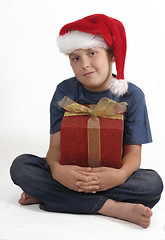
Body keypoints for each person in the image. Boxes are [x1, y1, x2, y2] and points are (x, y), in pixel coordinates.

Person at [10, 14, 163, 229]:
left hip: (110, 176)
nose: (85, 64)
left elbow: (133, 154)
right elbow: (55, 147)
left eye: (92, 53)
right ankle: (111, 207)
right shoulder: (64, 91)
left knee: (152, 184)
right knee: (21, 167)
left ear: (111, 55)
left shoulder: (132, 95)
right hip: (70, 173)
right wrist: (56, 170)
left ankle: (51, 196)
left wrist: (119, 176)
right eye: (75, 58)